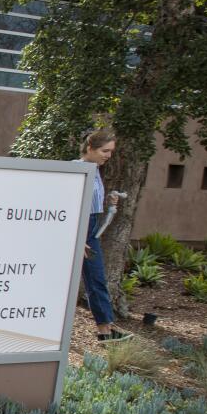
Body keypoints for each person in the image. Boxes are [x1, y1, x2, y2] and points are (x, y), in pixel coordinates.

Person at [78, 130, 132, 343]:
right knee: (89, 279)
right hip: (80, 231)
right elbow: (67, 207)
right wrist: (76, 238)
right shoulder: (76, 169)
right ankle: (104, 330)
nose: (108, 155)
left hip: (91, 230)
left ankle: (106, 330)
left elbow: (91, 205)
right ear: (90, 147)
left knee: (96, 278)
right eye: (104, 150)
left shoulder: (95, 170)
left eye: (111, 151)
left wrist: (109, 202)